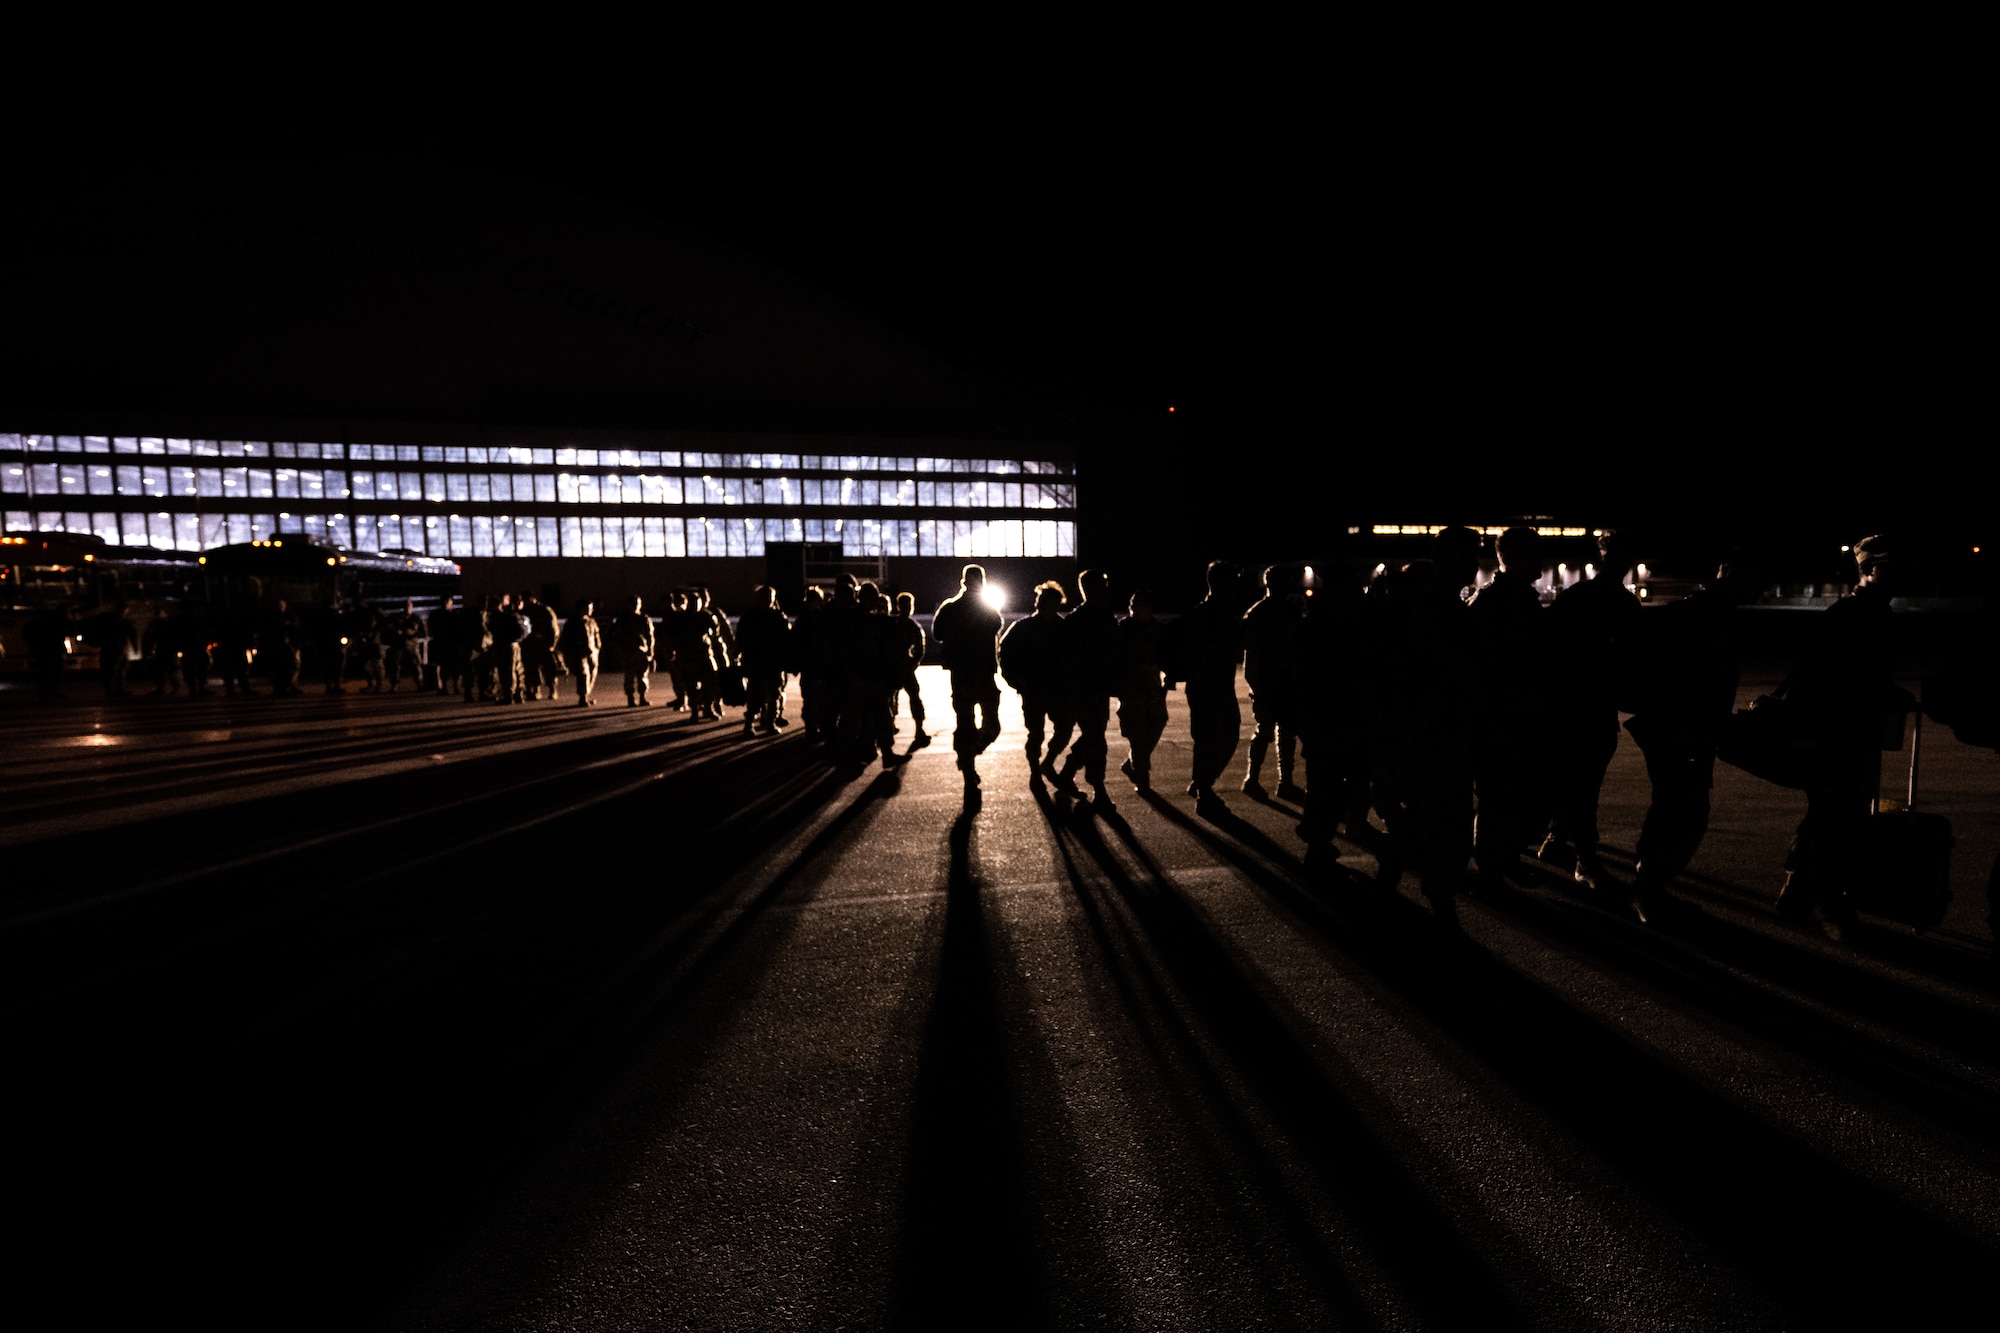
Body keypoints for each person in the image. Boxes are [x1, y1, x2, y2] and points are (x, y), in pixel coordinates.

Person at [1774, 535, 1902, 932]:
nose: (1897, 576)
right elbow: (1833, 677)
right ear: (1866, 571)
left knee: (1827, 815)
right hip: (1837, 733)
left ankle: (1796, 895)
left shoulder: (1873, 613)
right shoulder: (1851, 615)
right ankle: (1829, 905)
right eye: (1888, 568)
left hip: (1852, 731)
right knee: (1838, 818)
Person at [1623, 557, 1747, 923]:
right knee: (1681, 809)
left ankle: (1649, 889)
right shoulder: (1704, 615)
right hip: (1680, 729)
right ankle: (1647, 891)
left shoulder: (1701, 611)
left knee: (1676, 807)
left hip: (1681, 727)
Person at [1541, 530, 1644, 887]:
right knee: (1584, 786)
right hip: (1592, 707)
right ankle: (1584, 858)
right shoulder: (1623, 604)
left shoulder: (1576, 597)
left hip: (1574, 704)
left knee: (1570, 781)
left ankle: (1557, 839)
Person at [1467, 526, 1552, 890]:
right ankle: (1490, 869)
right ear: (1514, 558)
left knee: (1514, 795)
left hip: (1518, 713)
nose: (1541, 562)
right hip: (1502, 717)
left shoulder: (1513, 597)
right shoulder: (1496, 601)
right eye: (1534, 554)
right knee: (1499, 795)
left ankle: (1505, 860)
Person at [1167, 561, 1246, 819]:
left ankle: (1203, 782)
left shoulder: (1224, 613)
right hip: (1205, 687)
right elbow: (1193, 652)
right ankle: (1204, 792)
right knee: (1208, 740)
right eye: (1232, 580)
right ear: (1219, 583)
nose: (1236, 586)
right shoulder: (1203, 614)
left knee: (1228, 736)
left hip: (1221, 685)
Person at [932, 563, 1005, 803]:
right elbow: (997, 626)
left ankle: (968, 764)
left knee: (965, 724)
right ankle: (970, 756)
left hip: (961, 675)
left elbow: (937, 634)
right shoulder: (988, 609)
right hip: (983, 673)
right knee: (991, 725)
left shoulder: (950, 607)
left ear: (963, 581)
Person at [1054, 569, 1122, 812]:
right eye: (1100, 586)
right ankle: (1099, 790)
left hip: (1097, 688)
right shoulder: (1083, 620)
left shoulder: (1099, 616)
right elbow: (1069, 660)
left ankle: (1069, 771)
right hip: (1085, 690)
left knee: (1093, 735)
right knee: (1096, 739)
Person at [1242, 565, 1307, 801]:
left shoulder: (1284, 611)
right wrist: (1257, 688)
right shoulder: (1260, 613)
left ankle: (1280, 781)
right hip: (1270, 685)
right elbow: (1252, 655)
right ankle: (1255, 779)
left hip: (1284, 684)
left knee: (1284, 734)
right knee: (1268, 732)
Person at [999, 581, 1073, 783]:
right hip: (1033, 690)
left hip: (1057, 690)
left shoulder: (1063, 628)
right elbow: (1004, 656)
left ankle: (1046, 763)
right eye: (1045, 602)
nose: (1048, 607)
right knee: (1036, 734)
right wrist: (1017, 682)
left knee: (1064, 729)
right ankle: (1035, 770)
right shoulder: (1023, 628)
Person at [1116, 589, 1169, 794]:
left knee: (1156, 724)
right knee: (1137, 734)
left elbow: (1167, 656)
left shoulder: (1158, 629)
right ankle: (1142, 777)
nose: (1139, 610)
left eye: (1143, 606)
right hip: (1130, 689)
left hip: (1153, 688)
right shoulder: (1124, 629)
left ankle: (1134, 765)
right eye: (1136, 607)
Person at [735, 585, 791, 735]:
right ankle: (751, 724)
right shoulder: (754, 617)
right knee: (756, 694)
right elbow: (741, 637)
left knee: (772, 694)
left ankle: (767, 722)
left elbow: (786, 640)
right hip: (759, 661)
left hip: (770, 662)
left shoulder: (776, 617)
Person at [889, 591, 929, 745]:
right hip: (901, 666)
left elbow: (919, 649)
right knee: (904, 699)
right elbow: (919, 649)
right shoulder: (909, 626)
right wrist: (912, 663)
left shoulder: (894, 624)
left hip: (898, 666)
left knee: (893, 699)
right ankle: (918, 730)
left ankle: (893, 729)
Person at [557, 598, 602, 706]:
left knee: (592, 673)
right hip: (578, 653)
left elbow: (596, 635)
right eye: (589, 608)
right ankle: (583, 697)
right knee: (583, 674)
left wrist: (597, 647)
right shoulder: (573, 622)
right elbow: (565, 639)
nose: (591, 610)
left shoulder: (591, 621)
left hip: (592, 652)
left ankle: (587, 694)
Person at [612, 596, 656, 707]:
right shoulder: (623, 619)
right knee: (629, 676)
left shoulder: (644, 618)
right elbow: (617, 636)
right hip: (628, 651)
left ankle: (642, 697)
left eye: (638, 603)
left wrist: (650, 652)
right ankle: (630, 698)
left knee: (643, 676)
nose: (636, 605)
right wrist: (619, 651)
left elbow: (650, 636)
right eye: (633, 603)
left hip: (641, 651)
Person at [521, 592, 561, 701]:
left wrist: (552, 643)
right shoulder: (525, 611)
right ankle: (536, 689)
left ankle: (552, 689)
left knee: (549, 668)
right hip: (530, 644)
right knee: (532, 668)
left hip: (544, 644)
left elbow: (553, 627)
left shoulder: (545, 610)